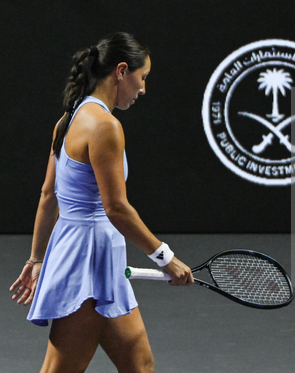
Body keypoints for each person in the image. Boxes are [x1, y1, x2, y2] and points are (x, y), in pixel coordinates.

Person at [9, 32, 193, 373]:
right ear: (122, 71)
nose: (143, 90)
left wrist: (37, 259)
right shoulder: (105, 126)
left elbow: (48, 196)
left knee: (140, 366)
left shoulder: (67, 120)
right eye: (142, 78)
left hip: (93, 255)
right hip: (87, 263)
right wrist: (165, 257)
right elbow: (117, 208)